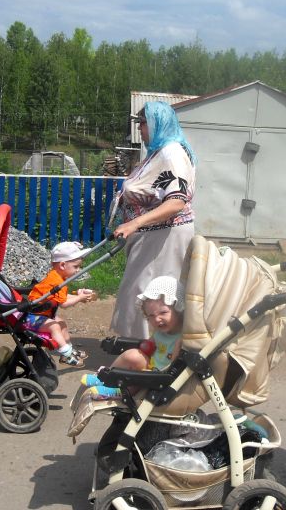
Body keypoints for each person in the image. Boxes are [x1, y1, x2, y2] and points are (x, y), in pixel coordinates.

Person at [110, 101, 196, 339]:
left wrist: (134, 223)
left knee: (152, 290)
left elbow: (176, 201)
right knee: (141, 288)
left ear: (159, 123)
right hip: (151, 236)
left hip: (165, 238)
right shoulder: (157, 153)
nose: (139, 128)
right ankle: (144, 342)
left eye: (143, 123)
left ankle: (153, 344)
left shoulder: (172, 153)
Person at [82, 275, 183, 399]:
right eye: (151, 316)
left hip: (161, 377)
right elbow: (148, 347)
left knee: (136, 363)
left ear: (178, 308)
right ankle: (105, 377)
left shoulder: (182, 338)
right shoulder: (160, 332)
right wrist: (145, 347)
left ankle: (118, 392)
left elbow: (174, 366)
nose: (157, 319)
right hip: (150, 369)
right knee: (133, 355)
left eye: (163, 312)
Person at [24, 241, 97, 368]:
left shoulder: (58, 277)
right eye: (76, 267)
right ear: (63, 265)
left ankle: (69, 349)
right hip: (31, 316)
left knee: (61, 323)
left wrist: (79, 297)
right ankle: (66, 355)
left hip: (43, 314)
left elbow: (61, 297)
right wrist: (79, 298)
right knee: (55, 327)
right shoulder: (56, 282)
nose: (78, 270)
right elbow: (64, 304)